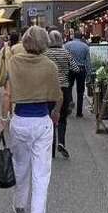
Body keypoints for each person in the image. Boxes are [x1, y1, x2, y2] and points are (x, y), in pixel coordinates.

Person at [0, 26, 62, 213]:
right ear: (44, 43)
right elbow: (57, 96)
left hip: (20, 120)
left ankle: (19, 206)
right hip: (42, 120)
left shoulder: (15, 63)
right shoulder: (50, 66)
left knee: (21, 165)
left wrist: (3, 119)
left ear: (25, 42)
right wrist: (55, 113)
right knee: (42, 170)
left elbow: (7, 94)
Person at [45, 30, 78, 159]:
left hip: (49, 88)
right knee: (63, 117)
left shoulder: (45, 53)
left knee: (50, 117)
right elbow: (76, 68)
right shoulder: (66, 53)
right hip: (64, 89)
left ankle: (51, 147)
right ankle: (61, 142)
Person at [65, 29, 90, 117]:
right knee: (80, 91)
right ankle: (79, 112)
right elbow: (88, 62)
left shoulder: (67, 45)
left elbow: (65, 58)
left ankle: (69, 103)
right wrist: (88, 74)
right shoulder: (85, 47)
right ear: (81, 37)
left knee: (68, 87)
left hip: (70, 69)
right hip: (81, 69)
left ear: (73, 36)